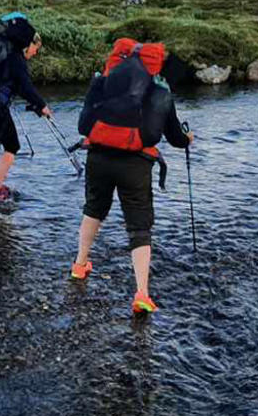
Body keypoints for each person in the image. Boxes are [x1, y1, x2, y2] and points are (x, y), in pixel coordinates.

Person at [70, 38, 194, 315]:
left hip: (98, 158)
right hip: (135, 165)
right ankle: (142, 293)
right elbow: (174, 137)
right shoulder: (159, 89)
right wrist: (188, 140)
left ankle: (79, 266)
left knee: (93, 210)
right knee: (139, 227)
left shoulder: (103, 81)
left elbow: (83, 124)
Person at [0, 13, 52, 202]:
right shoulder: (15, 58)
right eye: (35, 48)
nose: (35, 53)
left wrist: (35, 104)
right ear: (28, 43)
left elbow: (14, 86)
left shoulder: (0, 53)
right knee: (12, 146)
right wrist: (42, 105)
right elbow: (25, 86)